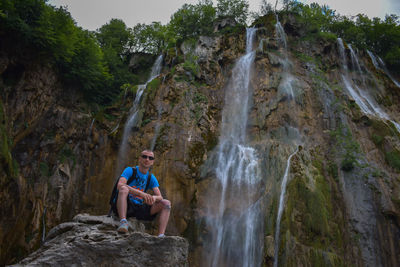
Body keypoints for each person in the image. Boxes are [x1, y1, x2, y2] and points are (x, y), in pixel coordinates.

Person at [112, 149, 171, 236]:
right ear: (140, 159)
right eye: (144, 156)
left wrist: (153, 198)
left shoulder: (151, 177)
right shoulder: (130, 170)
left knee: (166, 203)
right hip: (125, 205)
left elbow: (160, 197)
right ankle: (123, 222)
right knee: (124, 189)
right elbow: (120, 185)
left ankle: (161, 235)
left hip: (138, 208)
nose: (147, 159)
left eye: (150, 158)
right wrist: (141, 194)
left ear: (152, 162)